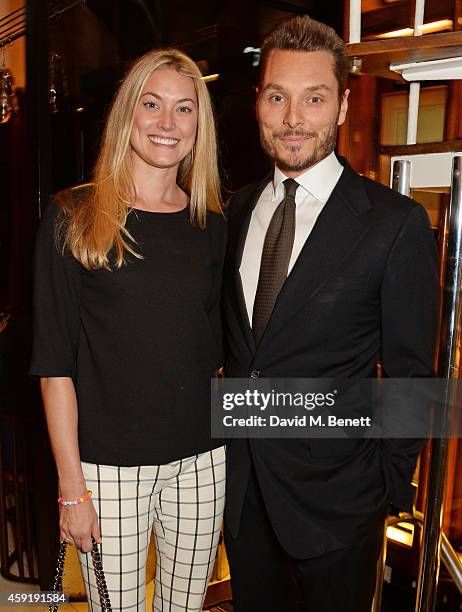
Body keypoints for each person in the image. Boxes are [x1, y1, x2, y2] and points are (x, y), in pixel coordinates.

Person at [222, 15, 439, 612]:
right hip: (241, 495)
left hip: (341, 503)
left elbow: (412, 376)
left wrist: (384, 488)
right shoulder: (233, 213)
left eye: (313, 99)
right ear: (259, 104)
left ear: (342, 106)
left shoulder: (394, 225)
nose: (294, 118)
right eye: (278, 97)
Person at [30, 48, 226, 612]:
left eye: (184, 109)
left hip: (203, 463)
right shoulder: (74, 217)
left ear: (199, 125)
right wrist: (72, 490)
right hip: (107, 472)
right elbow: (54, 367)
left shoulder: (210, 224)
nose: (167, 123)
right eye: (152, 103)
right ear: (127, 113)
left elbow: (212, 354)